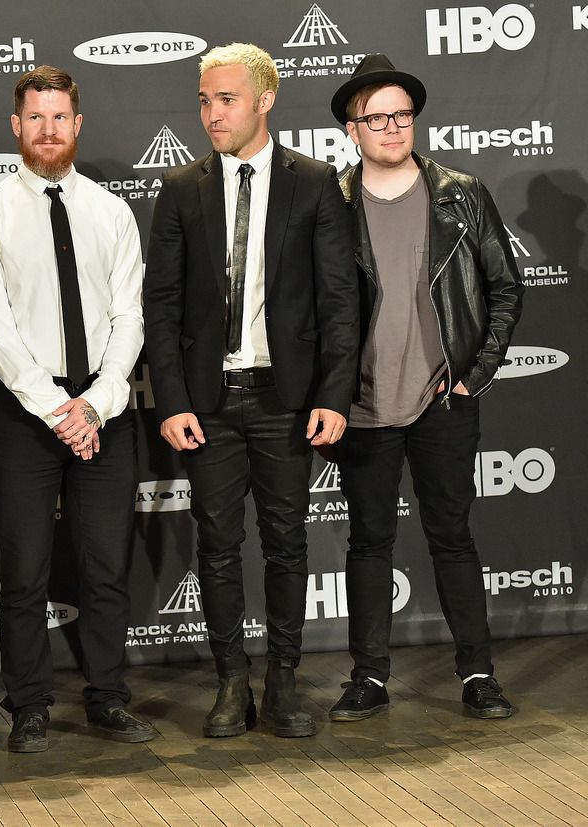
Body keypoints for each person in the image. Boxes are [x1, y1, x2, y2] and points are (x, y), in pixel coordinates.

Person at [143, 43, 359, 738]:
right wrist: (172, 399)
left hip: (286, 397)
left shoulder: (316, 182)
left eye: (226, 100)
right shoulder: (182, 189)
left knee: (286, 544)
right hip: (207, 401)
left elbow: (338, 301)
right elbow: (163, 306)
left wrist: (333, 394)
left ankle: (284, 681)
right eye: (204, 100)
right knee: (216, 545)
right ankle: (231, 682)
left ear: (265, 101)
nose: (211, 114)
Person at [326, 54, 524, 722]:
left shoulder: (460, 192)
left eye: (401, 115)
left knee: (453, 536)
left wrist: (476, 373)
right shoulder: (333, 202)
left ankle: (478, 673)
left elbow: (504, 287)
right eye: (377, 118)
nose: (391, 127)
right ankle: (369, 677)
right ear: (352, 129)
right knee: (368, 541)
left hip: (444, 400)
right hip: (363, 404)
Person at [0, 65, 152, 753]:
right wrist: (57, 410)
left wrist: (96, 404)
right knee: (25, 570)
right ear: (17, 127)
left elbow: (129, 319)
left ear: (78, 124)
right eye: (35, 118)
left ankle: (106, 697)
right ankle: (30, 706)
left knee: (105, 564)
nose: (47, 130)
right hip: (24, 415)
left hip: (105, 411)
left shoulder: (112, 212)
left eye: (59, 117)